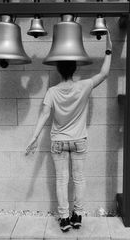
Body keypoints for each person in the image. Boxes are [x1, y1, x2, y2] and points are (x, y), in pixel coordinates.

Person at [26, 30, 112, 232]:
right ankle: (77, 215)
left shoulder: (52, 92)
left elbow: (44, 116)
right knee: (79, 179)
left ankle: (64, 218)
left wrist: (34, 137)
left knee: (61, 180)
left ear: (57, 69)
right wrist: (108, 49)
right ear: (75, 68)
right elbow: (105, 73)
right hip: (79, 140)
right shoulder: (84, 86)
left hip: (58, 142)